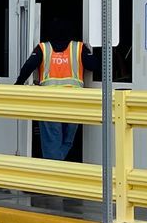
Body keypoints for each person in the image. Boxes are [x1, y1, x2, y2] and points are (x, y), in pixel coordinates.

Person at [13, 27, 103, 161]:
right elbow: (94, 66)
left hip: (50, 103)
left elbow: (28, 67)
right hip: (74, 103)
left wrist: (18, 85)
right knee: (68, 141)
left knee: (51, 142)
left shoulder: (43, 48)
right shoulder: (78, 47)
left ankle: (53, 170)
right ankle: (57, 167)